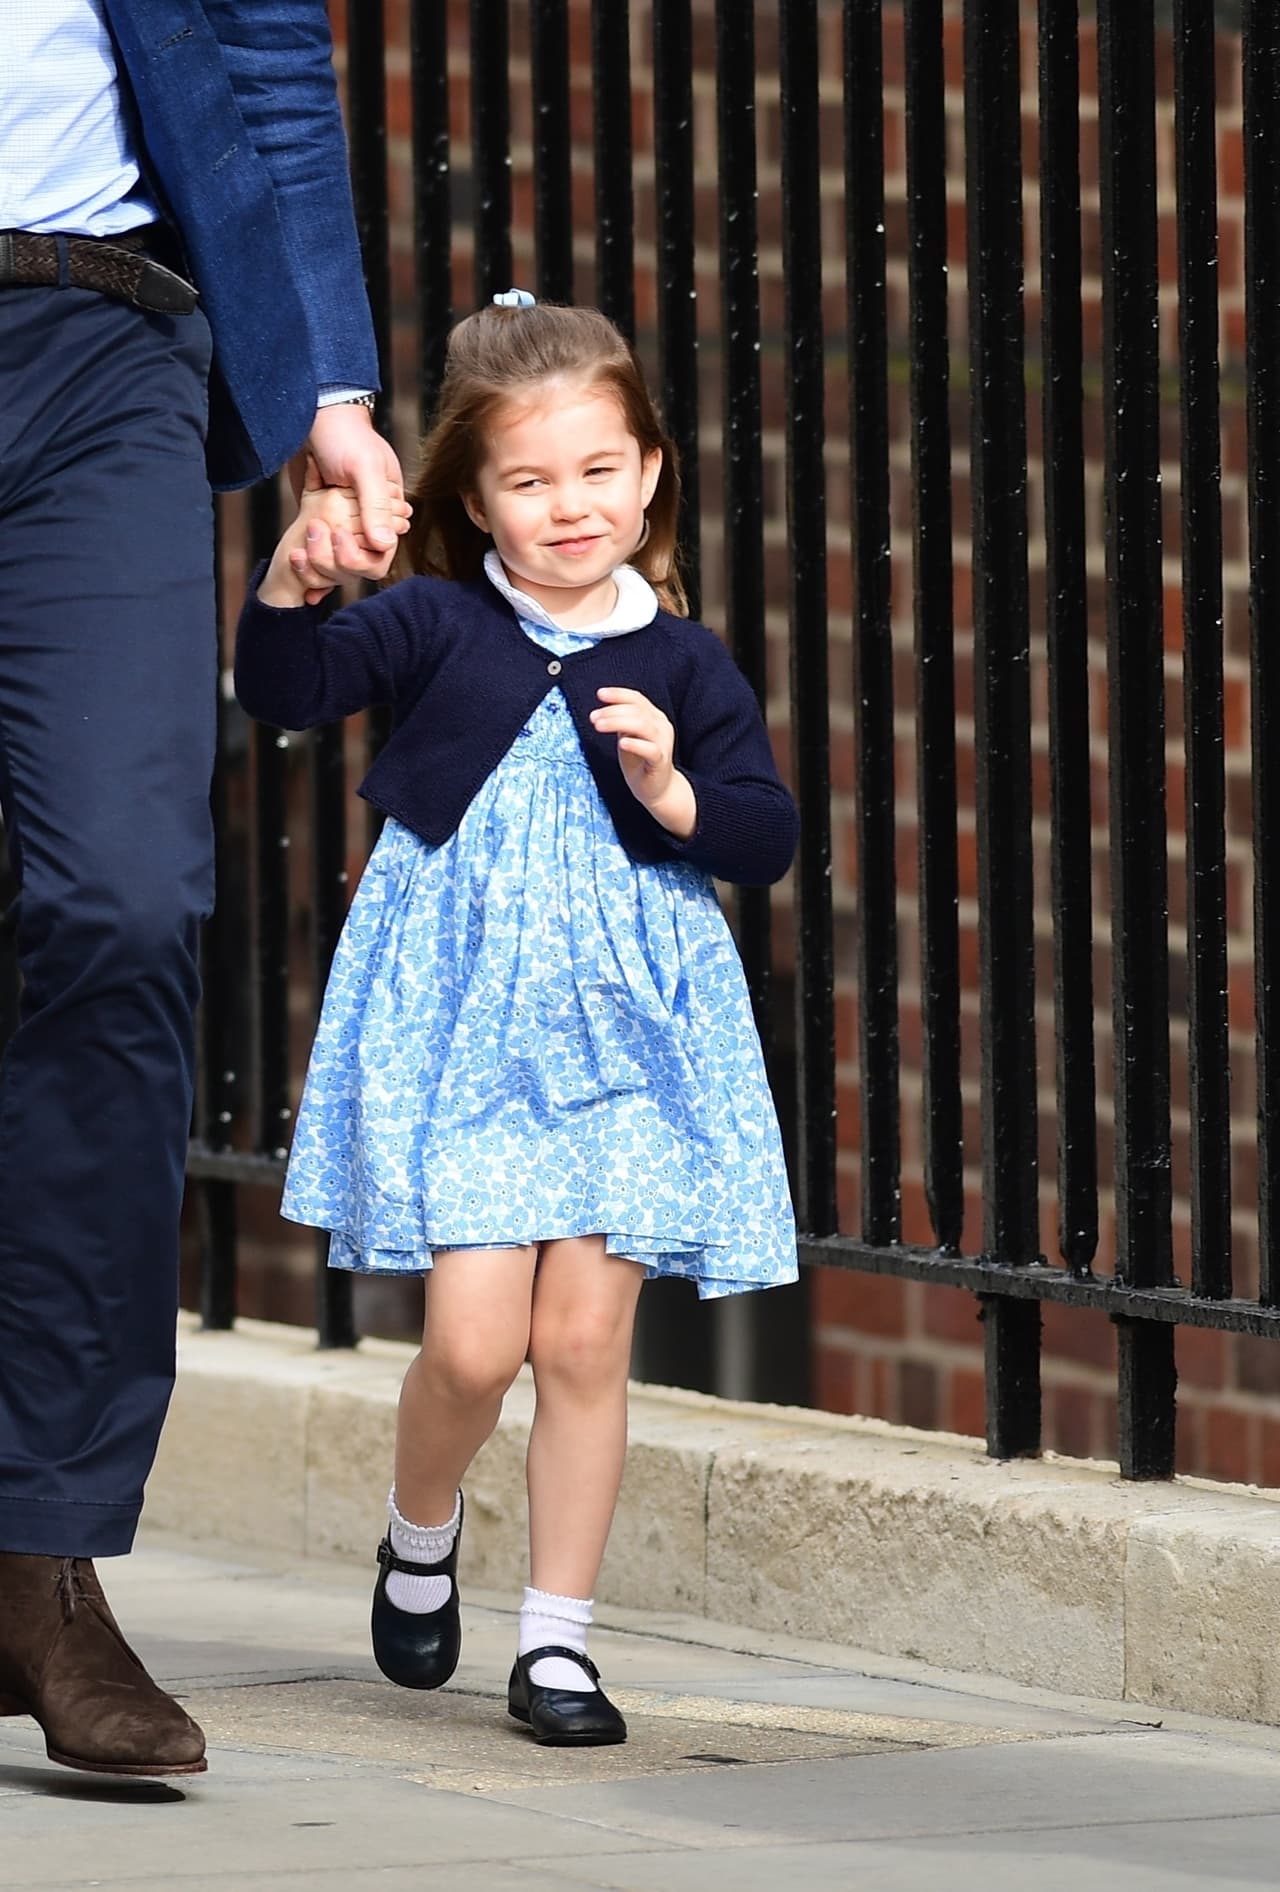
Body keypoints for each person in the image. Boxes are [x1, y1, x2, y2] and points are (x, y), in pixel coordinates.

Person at [234, 295, 799, 1748]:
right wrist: (291, 584)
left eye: (601, 471)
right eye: (531, 481)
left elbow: (762, 834)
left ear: (652, 473)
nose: (571, 507)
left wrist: (677, 793)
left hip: (628, 1041)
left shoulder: (683, 659)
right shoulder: (436, 621)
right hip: (472, 1034)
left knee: (587, 1347)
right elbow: (289, 693)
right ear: (471, 497)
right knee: (478, 1350)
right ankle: (419, 1536)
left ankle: (557, 1646)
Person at [0, 0, 405, 1778]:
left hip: (103, 335)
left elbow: (256, 58)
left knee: (124, 901)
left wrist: (330, 386)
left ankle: (45, 1548)